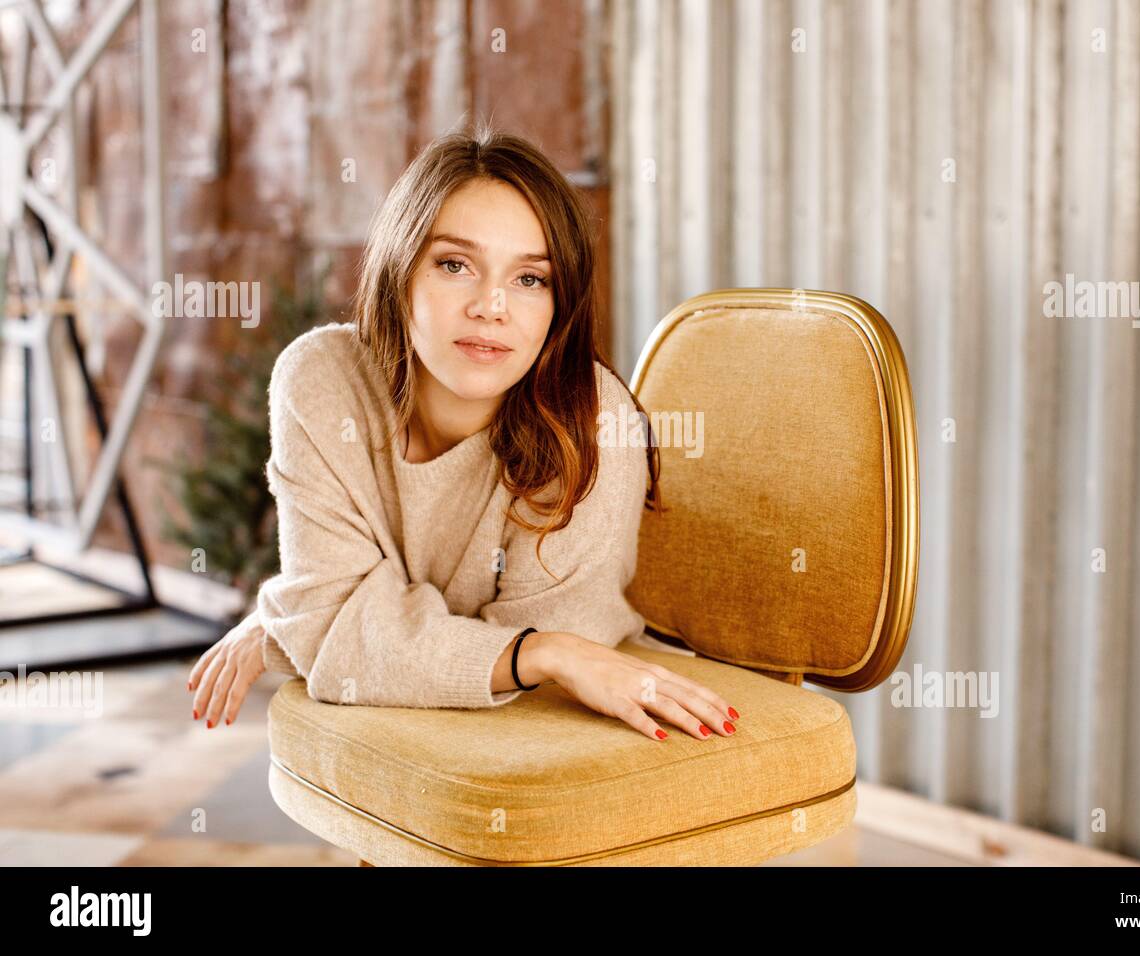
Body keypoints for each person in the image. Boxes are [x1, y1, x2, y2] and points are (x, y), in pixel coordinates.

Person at [186, 123, 740, 743]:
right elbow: (343, 629)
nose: (492, 306)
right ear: (402, 273)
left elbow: (549, 661)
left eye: (530, 279)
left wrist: (310, 625)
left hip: (559, 723)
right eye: (455, 265)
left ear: (560, 303)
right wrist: (311, 621)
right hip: (455, 705)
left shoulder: (592, 422)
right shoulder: (321, 380)